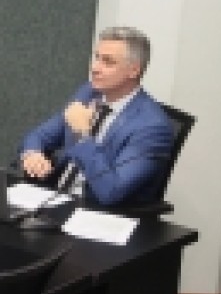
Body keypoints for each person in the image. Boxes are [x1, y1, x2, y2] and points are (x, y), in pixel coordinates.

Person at [19, 26, 174, 206]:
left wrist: (83, 135)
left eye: (108, 62)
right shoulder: (89, 93)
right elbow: (39, 135)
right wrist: (33, 154)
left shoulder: (152, 127)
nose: (94, 68)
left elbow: (112, 191)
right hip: (55, 196)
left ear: (133, 70)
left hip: (98, 210)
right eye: (97, 58)